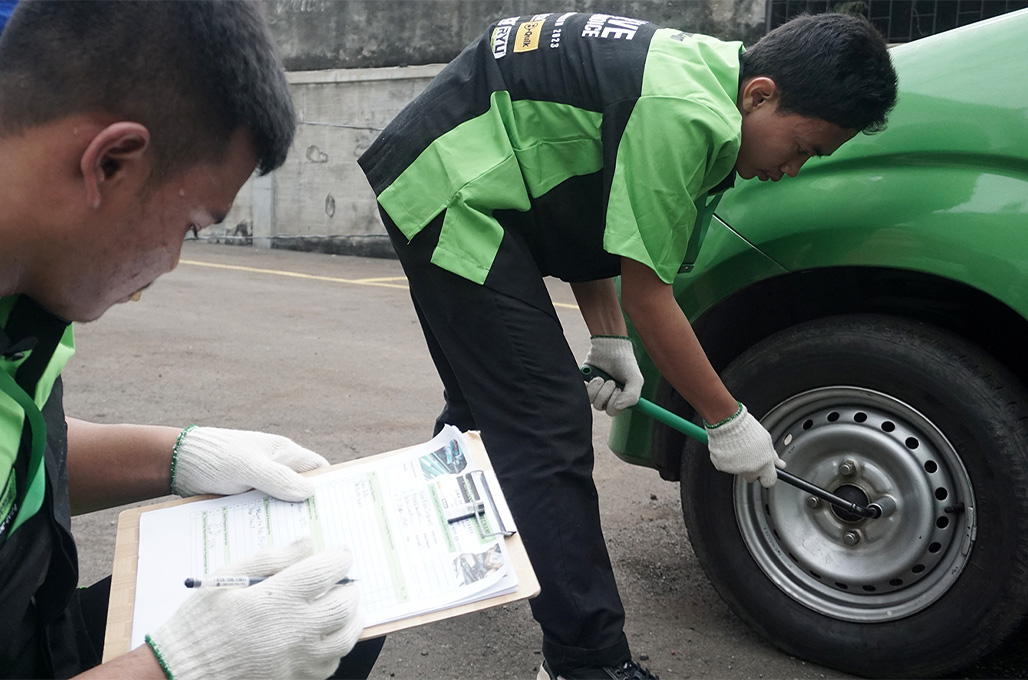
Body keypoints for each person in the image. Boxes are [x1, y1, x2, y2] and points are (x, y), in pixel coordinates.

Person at [359, 10, 896, 680]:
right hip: (449, 190)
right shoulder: (685, 114)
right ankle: (587, 662)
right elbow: (651, 294)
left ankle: (434, 545)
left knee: (489, 407)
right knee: (544, 422)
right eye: (801, 148)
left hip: (480, 182)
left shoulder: (699, 76)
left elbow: (580, 201)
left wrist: (610, 339)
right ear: (760, 95)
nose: (791, 168)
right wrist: (727, 420)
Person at [0, 2, 383, 678]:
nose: (173, 262)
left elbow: (18, 454)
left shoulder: (26, 294)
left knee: (338, 605)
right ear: (111, 162)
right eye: (193, 225)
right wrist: (182, 666)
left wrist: (178, 455)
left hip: (33, 631)